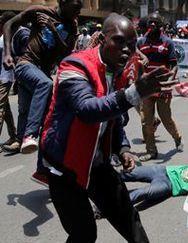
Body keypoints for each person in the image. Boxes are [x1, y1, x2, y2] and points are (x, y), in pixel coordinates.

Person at [39, 13, 177, 242]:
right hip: (65, 166)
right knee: (83, 234)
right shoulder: (74, 65)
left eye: (131, 45)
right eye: (119, 41)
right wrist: (134, 93)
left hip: (96, 162)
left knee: (129, 219)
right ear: (103, 39)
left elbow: (112, 119)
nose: (126, 50)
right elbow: (87, 110)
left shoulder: (118, 72)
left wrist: (122, 148)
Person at [2, 0, 83, 184]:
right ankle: (29, 135)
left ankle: (42, 170)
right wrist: (7, 53)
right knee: (45, 85)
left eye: (79, 9)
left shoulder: (71, 26)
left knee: (50, 122)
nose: (77, 12)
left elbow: (65, 54)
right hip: (25, 65)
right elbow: (9, 24)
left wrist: (53, 31)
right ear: (63, 2)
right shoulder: (39, 11)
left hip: (42, 74)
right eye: (75, 7)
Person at [137, 12, 183, 161]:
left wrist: (169, 80)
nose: (152, 25)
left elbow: (174, 65)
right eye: (150, 22)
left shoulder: (168, 42)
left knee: (165, 118)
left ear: (161, 26)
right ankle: (151, 150)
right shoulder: (140, 42)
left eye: (156, 23)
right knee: (146, 120)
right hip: (146, 87)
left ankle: (177, 137)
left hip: (163, 86)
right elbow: (135, 63)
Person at [0, 12, 18, 152]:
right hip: (3, 77)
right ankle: (13, 136)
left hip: (5, 77)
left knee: (0, 108)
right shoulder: (4, 38)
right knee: (5, 109)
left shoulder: (10, 39)